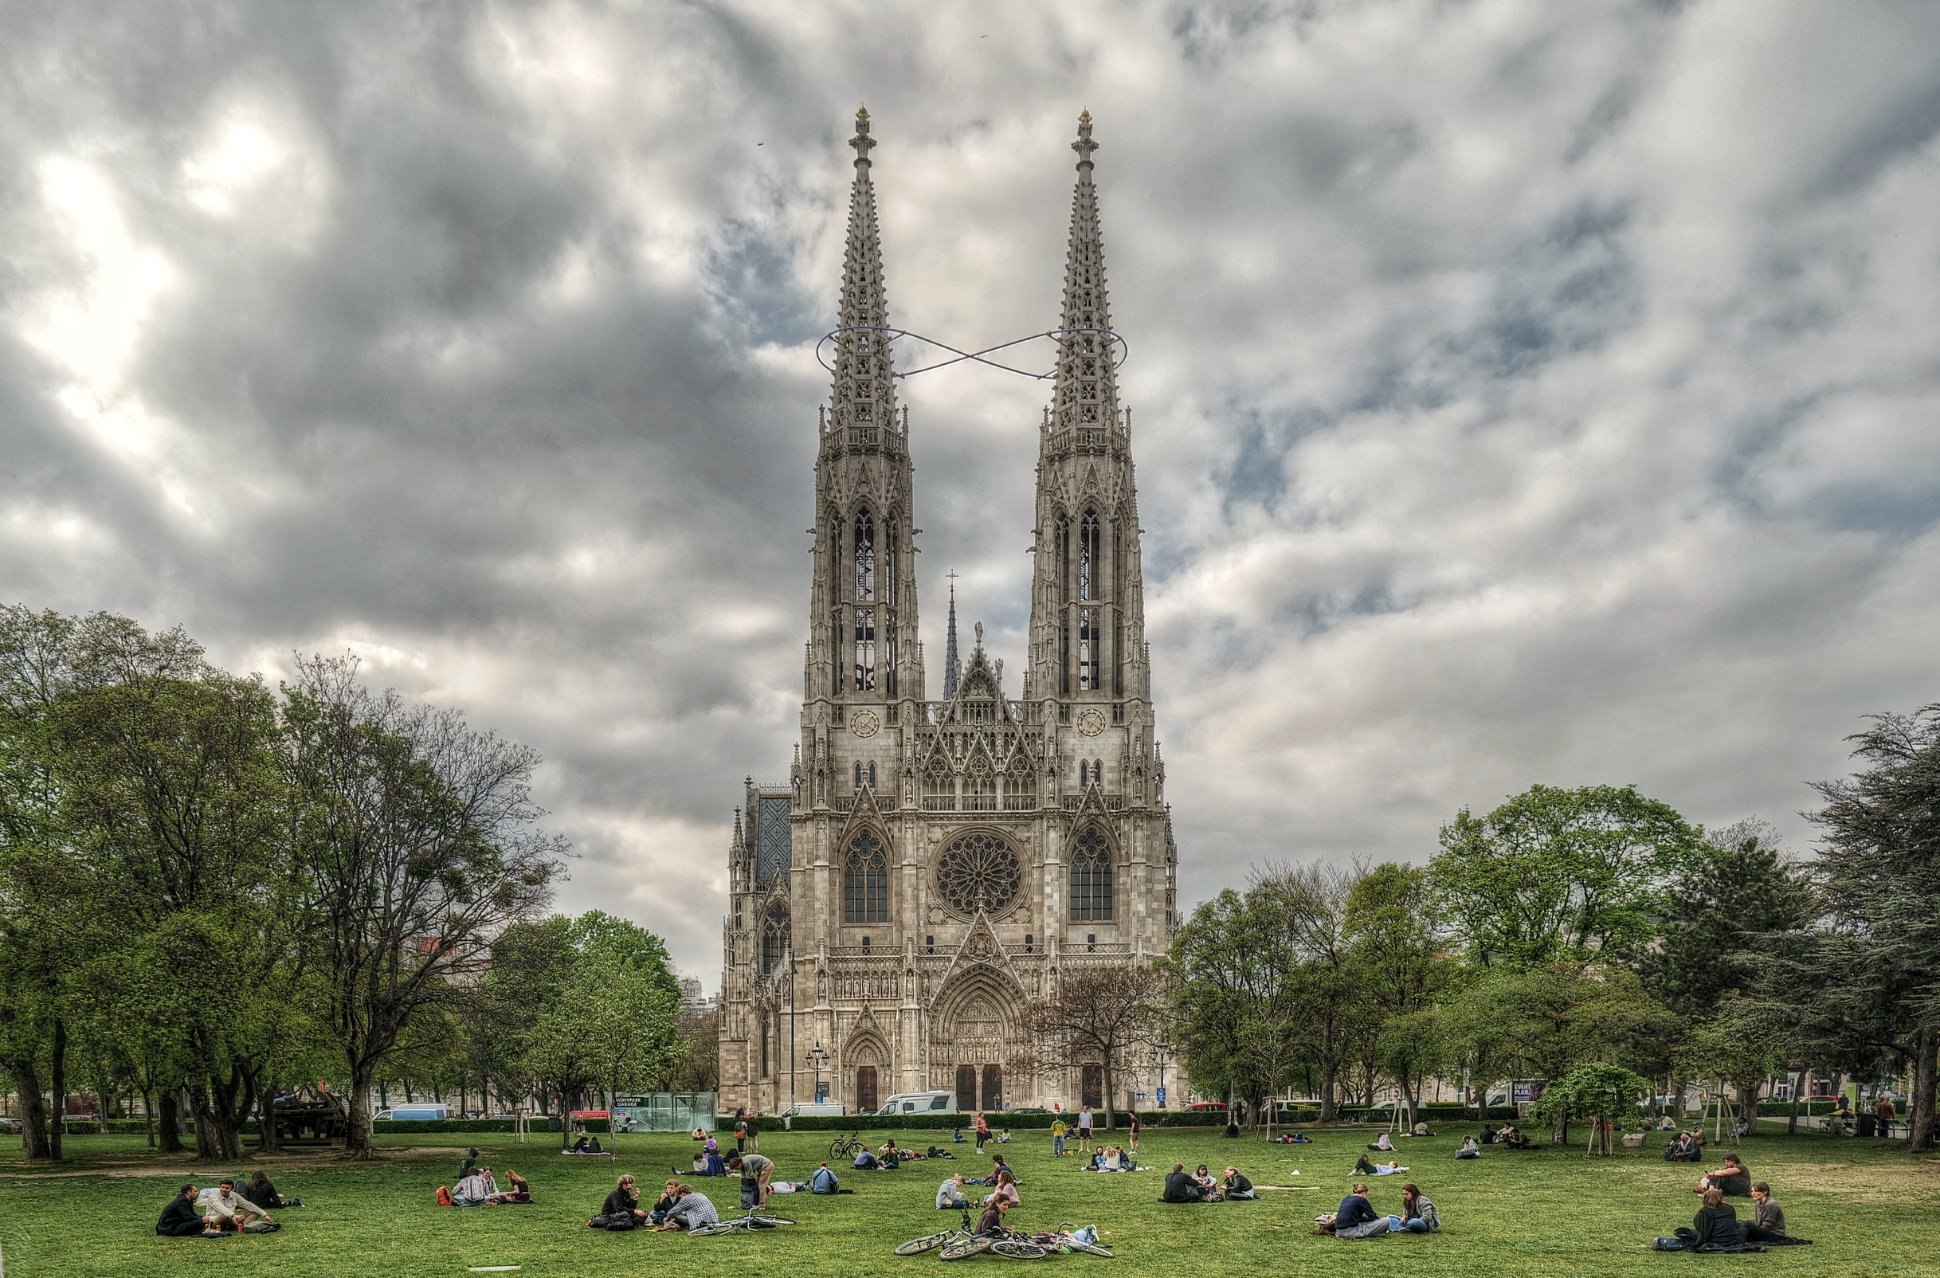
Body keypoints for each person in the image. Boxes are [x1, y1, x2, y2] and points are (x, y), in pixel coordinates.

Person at [1745, 1182, 1810, 1245]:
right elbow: (1758, 1223)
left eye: (1756, 1191)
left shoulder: (1771, 1205)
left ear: (1765, 1192)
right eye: (1752, 1191)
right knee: (1743, 1224)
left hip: (1775, 1235)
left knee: (1747, 1225)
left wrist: (1755, 1232)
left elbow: (1768, 1226)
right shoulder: (1757, 1204)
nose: (1753, 1193)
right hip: (1764, 1231)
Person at [196, 1180, 271, 1233]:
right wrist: (234, 1215)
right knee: (224, 1217)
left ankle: (242, 1226)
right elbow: (221, 1208)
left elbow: (248, 1204)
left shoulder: (234, 1195)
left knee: (255, 1213)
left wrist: (265, 1214)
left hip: (232, 1220)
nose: (224, 1190)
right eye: (222, 1187)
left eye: (227, 1188)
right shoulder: (213, 1197)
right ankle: (240, 1226)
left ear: (232, 1189)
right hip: (216, 1221)